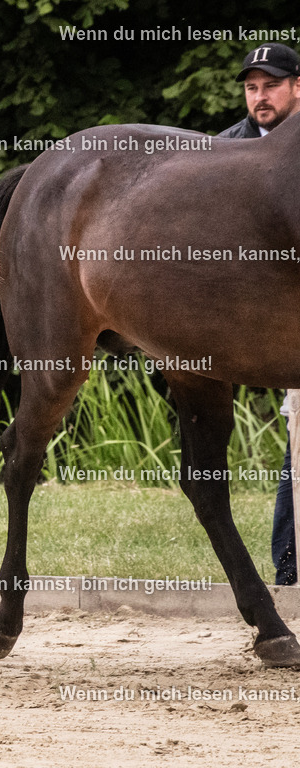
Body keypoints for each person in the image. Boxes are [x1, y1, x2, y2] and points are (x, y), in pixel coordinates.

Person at [218, 44, 300, 585]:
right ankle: (290, 572)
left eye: (270, 84)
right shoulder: (221, 152)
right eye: (252, 86)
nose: (260, 96)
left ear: (298, 87)